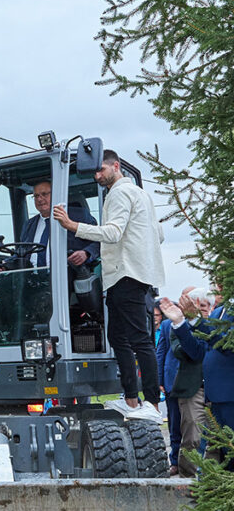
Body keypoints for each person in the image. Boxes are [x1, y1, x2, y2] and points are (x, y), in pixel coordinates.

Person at [54, 149, 165, 421]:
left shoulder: (119, 193)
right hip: (130, 275)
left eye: (100, 170)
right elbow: (158, 235)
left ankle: (151, 404)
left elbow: (113, 233)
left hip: (126, 275)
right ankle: (131, 399)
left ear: (116, 166)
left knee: (138, 339)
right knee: (118, 337)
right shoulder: (142, 195)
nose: (97, 176)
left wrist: (72, 225)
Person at [160, 288, 233, 467]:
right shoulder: (219, 312)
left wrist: (196, 320)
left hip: (229, 394)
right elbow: (198, 351)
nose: (216, 284)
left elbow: (226, 343)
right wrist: (180, 323)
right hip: (216, 397)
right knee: (223, 454)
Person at [0, 180, 99, 270]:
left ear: (55, 194)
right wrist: (6, 264)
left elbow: (100, 240)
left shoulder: (79, 215)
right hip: (34, 281)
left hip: (67, 280)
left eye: (44, 194)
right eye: (36, 196)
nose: (40, 199)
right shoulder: (29, 224)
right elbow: (22, 253)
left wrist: (86, 253)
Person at [157, 288, 195, 474]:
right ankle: (175, 461)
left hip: (193, 381)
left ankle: (192, 462)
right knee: (174, 424)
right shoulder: (166, 325)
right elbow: (161, 352)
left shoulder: (198, 321)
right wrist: (159, 379)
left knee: (191, 424)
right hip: (172, 379)